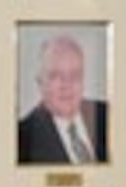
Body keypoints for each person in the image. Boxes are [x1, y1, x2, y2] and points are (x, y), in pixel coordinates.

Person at [17, 34, 108, 164]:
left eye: (75, 75)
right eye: (55, 76)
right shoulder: (21, 140)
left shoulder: (108, 116)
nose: (66, 85)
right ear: (40, 82)